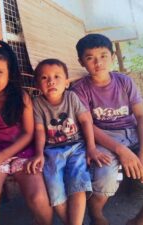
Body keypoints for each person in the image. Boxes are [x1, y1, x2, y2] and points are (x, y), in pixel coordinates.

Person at [71, 33, 143, 225]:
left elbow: (142, 116)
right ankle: (97, 215)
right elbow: (89, 126)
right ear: (81, 61)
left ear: (112, 57)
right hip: (104, 137)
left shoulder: (124, 82)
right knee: (105, 180)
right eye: (90, 57)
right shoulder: (79, 90)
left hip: (135, 133)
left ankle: (139, 222)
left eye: (103, 56)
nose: (98, 62)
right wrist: (122, 151)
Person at [0, 40, 53, 225]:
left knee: (37, 198)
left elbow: (28, 133)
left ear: (10, 74)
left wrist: (3, 156)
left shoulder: (20, 97)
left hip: (23, 152)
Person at [26, 58, 111, 225]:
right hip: (51, 151)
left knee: (77, 183)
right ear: (37, 85)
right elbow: (40, 130)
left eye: (57, 76)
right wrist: (38, 153)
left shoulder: (71, 97)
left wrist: (91, 148)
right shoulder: (37, 104)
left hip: (77, 147)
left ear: (66, 83)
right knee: (54, 188)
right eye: (44, 78)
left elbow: (86, 121)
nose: (51, 81)